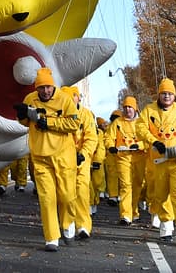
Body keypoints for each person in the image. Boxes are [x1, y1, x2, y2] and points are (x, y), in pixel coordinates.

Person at [16, 67, 80, 251]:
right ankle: (51, 236)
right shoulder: (30, 99)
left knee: (67, 196)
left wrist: (50, 123)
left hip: (63, 157)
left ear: (53, 86)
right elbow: (26, 122)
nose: (45, 91)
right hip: (40, 156)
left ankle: (68, 224)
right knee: (46, 198)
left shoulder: (65, 99)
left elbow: (74, 123)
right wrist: (21, 117)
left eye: (48, 87)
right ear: (36, 88)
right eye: (41, 88)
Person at [140, 78, 176, 244]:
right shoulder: (149, 110)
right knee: (161, 194)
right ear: (159, 94)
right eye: (164, 93)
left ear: (174, 96)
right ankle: (166, 226)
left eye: (170, 94)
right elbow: (140, 128)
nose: (166, 96)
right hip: (160, 161)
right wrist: (154, 141)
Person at [106, 95, 153, 225]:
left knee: (137, 185)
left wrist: (138, 145)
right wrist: (111, 147)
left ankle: (134, 212)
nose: (127, 110)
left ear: (135, 108)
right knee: (126, 185)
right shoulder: (117, 123)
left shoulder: (141, 123)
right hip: (123, 157)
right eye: (125, 107)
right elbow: (108, 138)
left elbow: (148, 140)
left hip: (139, 157)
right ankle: (125, 215)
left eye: (130, 107)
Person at [61, 86, 97, 240]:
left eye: (72, 98)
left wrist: (83, 154)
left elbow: (91, 137)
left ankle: (83, 226)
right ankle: (67, 224)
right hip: (63, 160)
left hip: (81, 160)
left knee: (82, 192)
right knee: (65, 194)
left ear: (77, 98)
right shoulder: (60, 114)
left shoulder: (86, 115)